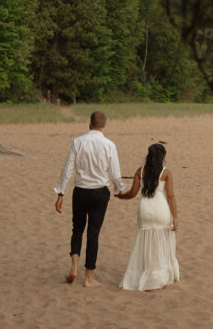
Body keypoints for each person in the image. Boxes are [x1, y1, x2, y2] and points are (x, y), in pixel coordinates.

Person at [54, 110, 125, 288]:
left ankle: (74, 267)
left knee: (77, 229)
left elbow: (67, 169)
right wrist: (118, 189)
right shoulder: (109, 145)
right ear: (104, 125)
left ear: (90, 124)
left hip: (80, 191)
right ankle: (88, 277)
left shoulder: (78, 142)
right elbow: (115, 173)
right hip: (100, 192)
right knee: (93, 233)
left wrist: (61, 192)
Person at [117, 142, 179, 291]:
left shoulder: (140, 171)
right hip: (161, 209)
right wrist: (175, 217)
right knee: (161, 242)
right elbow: (170, 196)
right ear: (163, 157)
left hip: (145, 209)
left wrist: (121, 196)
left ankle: (148, 275)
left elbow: (132, 193)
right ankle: (157, 278)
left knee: (146, 243)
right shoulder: (166, 173)